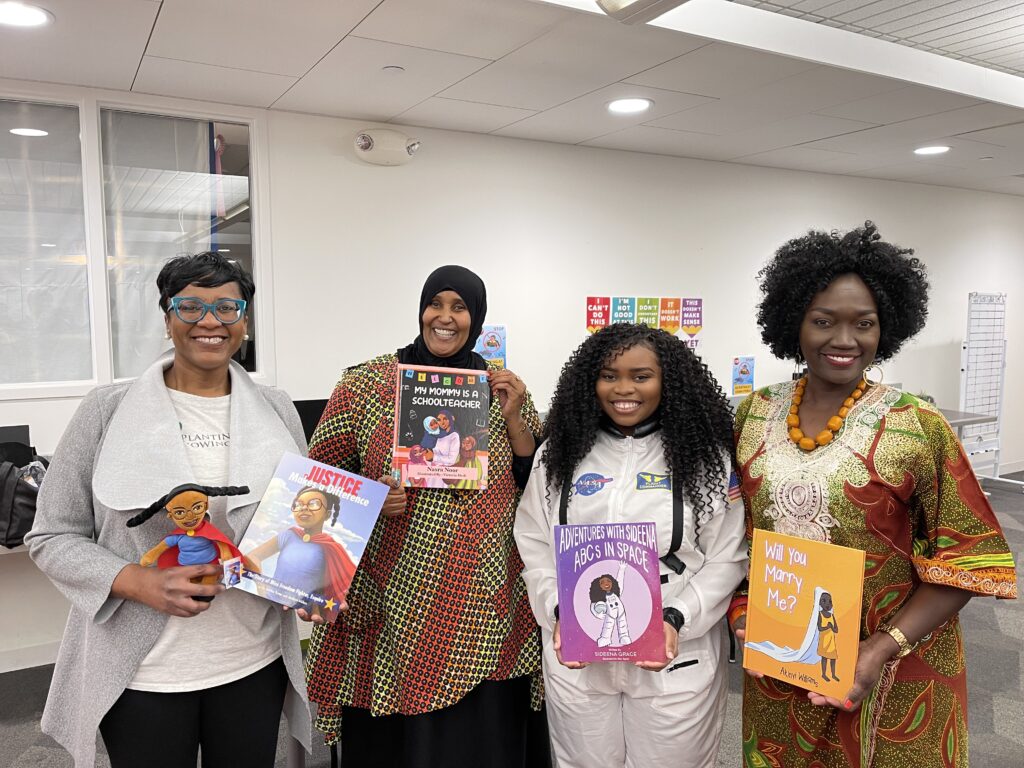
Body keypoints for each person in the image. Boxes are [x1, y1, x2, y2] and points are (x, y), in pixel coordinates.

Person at [732, 222, 1017, 767]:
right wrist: (744, 614)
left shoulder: (917, 425)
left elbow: (971, 559)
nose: (844, 340)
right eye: (824, 322)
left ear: (886, 328)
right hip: (782, 664)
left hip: (894, 671)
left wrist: (879, 648)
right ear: (794, 324)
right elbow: (737, 535)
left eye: (864, 324)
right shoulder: (753, 414)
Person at [26, 252, 311, 768]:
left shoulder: (276, 408)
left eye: (227, 307)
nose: (209, 322)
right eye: (191, 307)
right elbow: (51, 535)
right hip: (142, 672)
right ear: (167, 317)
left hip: (254, 659)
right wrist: (138, 581)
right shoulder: (106, 410)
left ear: (244, 321)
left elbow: (300, 521)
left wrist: (318, 561)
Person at [304, 265, 549, 767]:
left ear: (477, 318)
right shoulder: (367, 385)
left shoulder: (498, 388)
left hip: (484, 602)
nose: (445, 317)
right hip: (391, 603)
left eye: (459, 307)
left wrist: (515, 418)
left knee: (478, 743)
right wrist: (369, 498)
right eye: (435, 304)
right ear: (420, 310)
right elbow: (315, 483)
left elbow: (540, 486)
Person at [514, 323, 747, 768]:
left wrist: (678, 618)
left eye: (641, 376)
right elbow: (535, 541)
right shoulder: (559, 453)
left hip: (676, 650)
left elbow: (727, 556)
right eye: (609, 375)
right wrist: (559, 612)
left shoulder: (705, 458)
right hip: (577, 648)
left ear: (668, 381)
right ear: (590, 381)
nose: (624, 389)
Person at [245, 486, 356, 618]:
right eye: (298, 504)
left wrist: (315, 606)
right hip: (267, 603)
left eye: (314, 503)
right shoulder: (289, 535)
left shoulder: (331, 548)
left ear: (327, 514)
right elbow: (253, 556)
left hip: (301, 609)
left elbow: (329, 585)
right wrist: (261, 587)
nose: (303, 508)